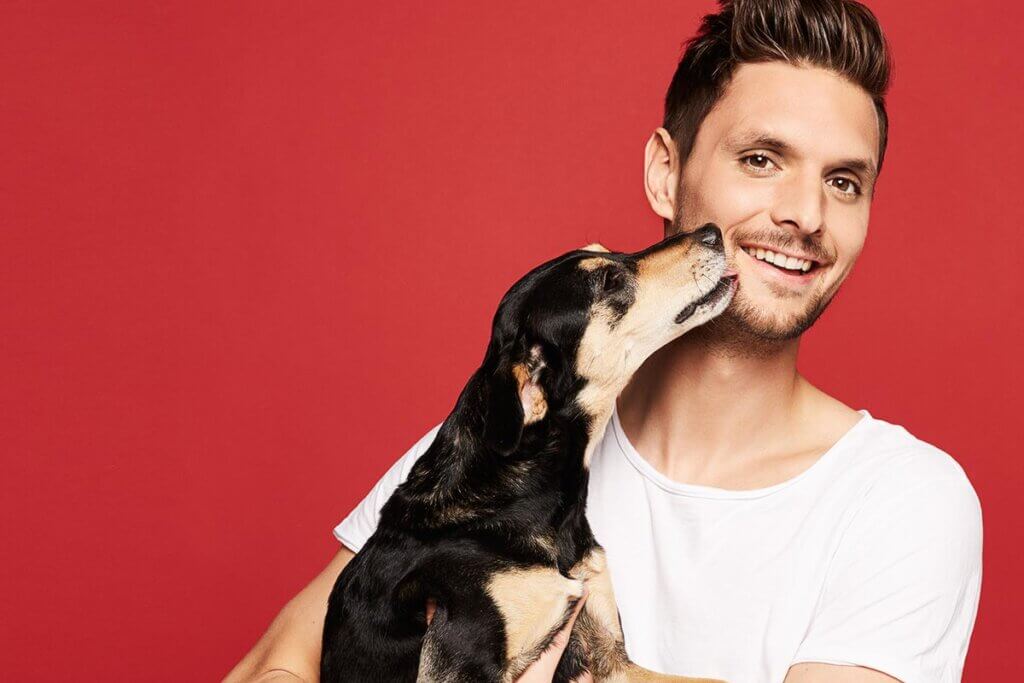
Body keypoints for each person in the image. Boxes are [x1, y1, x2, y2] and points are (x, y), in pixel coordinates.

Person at [225, 0, 982, 681]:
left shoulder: (901, 501)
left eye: (845, 182)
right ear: (665, 172)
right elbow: (278, 662)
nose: (808, 215)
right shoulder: (513, 442)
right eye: (762, 159)